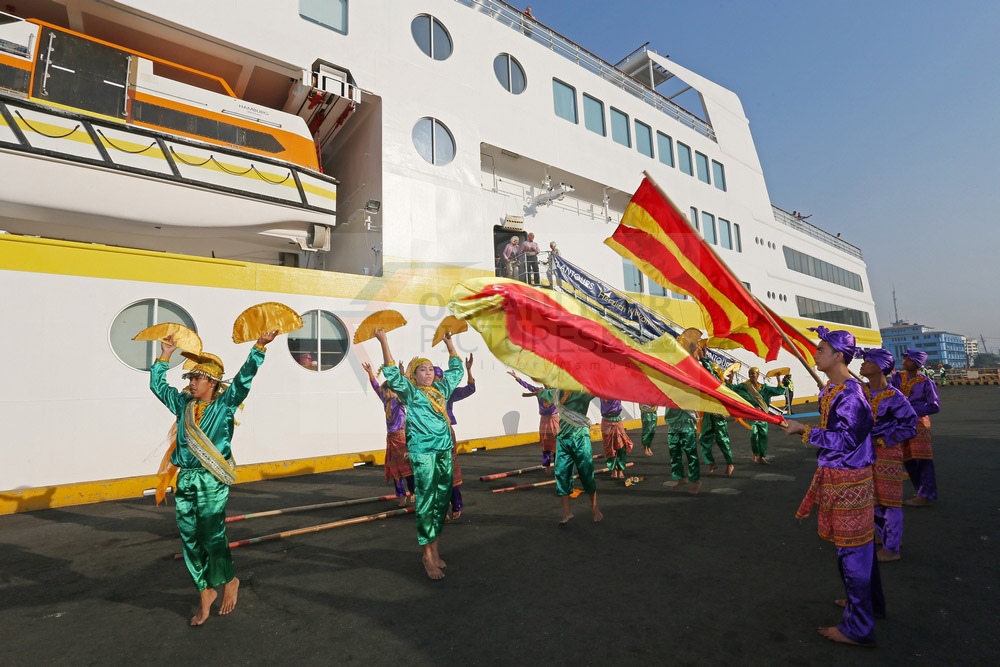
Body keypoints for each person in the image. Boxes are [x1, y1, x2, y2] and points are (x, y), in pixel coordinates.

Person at [149, 329, 277, 626]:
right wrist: (164, 356)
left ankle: (228, 580)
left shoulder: (224, 406)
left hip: (210, 480)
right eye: (190, 379)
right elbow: (158, 386)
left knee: (211, 534)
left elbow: (244, 378)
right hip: (186, 479)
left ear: (212, 382)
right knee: (189, 538)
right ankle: (204, 589)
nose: (191, 383)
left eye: (197, 378)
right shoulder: (183, 405)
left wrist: (259, 347)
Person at [783, 327, 884, 646]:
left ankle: (859, 628)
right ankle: (868, 605)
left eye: (822, 349)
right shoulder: (837, 388)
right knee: (860, 549)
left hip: (849, 478)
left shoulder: (850, 393)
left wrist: (804, 430)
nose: (816, 353)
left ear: (839, 355)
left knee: (851, 553)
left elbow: (846, 439)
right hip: (844, 476)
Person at [375, 327, 464, 580]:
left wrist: (449, 344)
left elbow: (456, 370)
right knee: (425, 502)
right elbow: (392, 373)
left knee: (440, 500)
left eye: (429, 369)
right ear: (414, 376)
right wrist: (383, 340)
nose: (427, 373)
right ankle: (426, 556)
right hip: (423, 453)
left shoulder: (441, 390)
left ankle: (435, 551)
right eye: (422, 370)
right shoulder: (411, 393)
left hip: (444, 451)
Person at [859, 348, 917, 563]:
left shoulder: (895, 398)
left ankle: (892, 548)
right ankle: (886, 536)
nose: (863, 365)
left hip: (887, 452)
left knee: (890, 500)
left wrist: (882, 440)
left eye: (867, 361)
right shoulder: (859, 391)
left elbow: (910, 426)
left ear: (879, 367)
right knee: (871, 497)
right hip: (863, 452)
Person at [538, 388, 602, 525]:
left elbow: (600, 389)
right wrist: (540, 394)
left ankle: (594, 507)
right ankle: (567, 512)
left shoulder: (582, 393)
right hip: (563, 440)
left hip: (580, 438)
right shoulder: (556, 393)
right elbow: (542, 393)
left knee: (587, 474)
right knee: (561, 475)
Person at [890, 349, 940, 506]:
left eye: (908, 360)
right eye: (904, 359)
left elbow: (934, 406)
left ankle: (925, 495)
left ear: (917, 363)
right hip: (901, 423)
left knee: (922, 460)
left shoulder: (926, 383)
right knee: (908, 459)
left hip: (919, 425)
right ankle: (921, 492)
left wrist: (910, 410)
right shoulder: (897, 377)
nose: (904, 362)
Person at [363, 362, 414, 507]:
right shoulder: (386, 400)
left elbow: (404, 387)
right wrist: (370, 373)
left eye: (384, 392)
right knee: (395, 469)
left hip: (402, 438)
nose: (383, 394)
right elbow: (375, 386)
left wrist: (407, 371)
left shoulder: (399, 401)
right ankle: (401, 495)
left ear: (390, 390)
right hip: (391, 439)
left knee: (407, 468)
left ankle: (413, 492)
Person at [438, 354, 476, 519]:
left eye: (438, 377)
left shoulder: (448, 392)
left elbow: (470, 389)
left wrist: (468, 370)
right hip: (429, 436)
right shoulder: (422, 394)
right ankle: (442, 509)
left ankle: (456, 505)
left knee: (449, 469)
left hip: (445, 433)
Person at [666, 328, 702, 493]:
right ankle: (681, 478)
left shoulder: (691, 367)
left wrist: (697, 354)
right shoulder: (668, 367)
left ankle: (696, 480)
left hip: (686, 416)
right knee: (674, 452)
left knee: (690, 451)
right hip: (673, 417)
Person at [727, 367, 787, 464]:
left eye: (753, 373)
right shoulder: (745, 386)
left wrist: (778, 379)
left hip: (763, 415)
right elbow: (731, 389)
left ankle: (762, 456)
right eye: (750, 373)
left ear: (758, 375)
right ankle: (755, 453)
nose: (751, 375)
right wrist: (731, 378)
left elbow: (779, 391)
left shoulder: (764, 388)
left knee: (763, 435)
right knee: (754, 434)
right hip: (752, 415)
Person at [696, 341, 734, 476]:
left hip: (718, 416)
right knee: (704, 439)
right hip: (708, 416)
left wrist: (703, 360)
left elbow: (709, 375)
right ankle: (711, 463)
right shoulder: (706, 384)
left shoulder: (721, 386)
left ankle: (730, 463)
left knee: (722, 440)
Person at [509, 371, 559, 472]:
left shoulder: (556, 392)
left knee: (556, 443)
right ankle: (547, 466)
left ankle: (558, 465)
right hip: (544, 420)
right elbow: (528, 386)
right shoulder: (539, 391)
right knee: (545, 443)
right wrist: (517, 378)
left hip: (554, 420)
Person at [599, 398, 634, 480]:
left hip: (617, 419)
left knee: (621, 447)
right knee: (609, 447)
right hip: (606, 421)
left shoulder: (616, 389)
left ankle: (620, 469)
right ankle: (613, 469)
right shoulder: (601, 390)